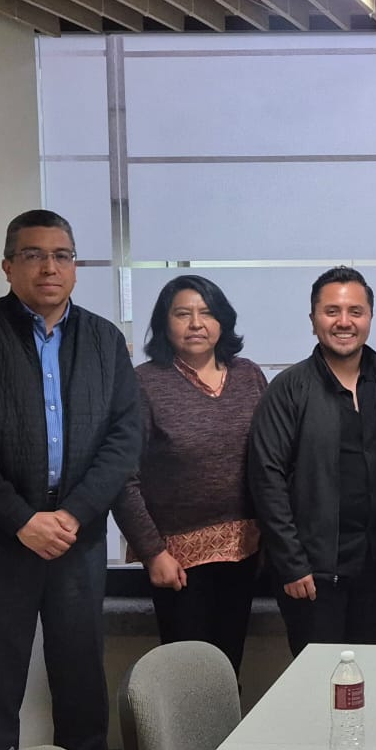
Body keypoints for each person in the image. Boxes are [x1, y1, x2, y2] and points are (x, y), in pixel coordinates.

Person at [0, 210, 139, 750]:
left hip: (77, 538)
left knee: (81, 682)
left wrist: (73, 514)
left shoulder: (104, 340)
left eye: (61, 256)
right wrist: (22, 520)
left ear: (74, 266)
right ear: (8, 266)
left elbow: (125, 437)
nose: (49, 267)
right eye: (33, 255)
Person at [248, 267, 376, 656]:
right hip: (312, 575)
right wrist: (292, 564)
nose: (344, 322)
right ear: (313, 319)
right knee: (319, 681)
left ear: (370, 318)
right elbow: (266, 481)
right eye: (332, 311)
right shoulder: (289, 389)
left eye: (355, 311)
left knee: (371, 674)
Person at [111, 275, 266, 677]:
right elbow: (123, 478)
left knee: (228, 670)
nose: (196, 323)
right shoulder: (144, 383)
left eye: (207, 313)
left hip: (245, 551)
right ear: (165, 323)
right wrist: (152, 553)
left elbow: (272, 459)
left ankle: (227, 723)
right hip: (176, 561)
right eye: (183, 314)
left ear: (222, 321)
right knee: (188, 677)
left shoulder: (248, 375)